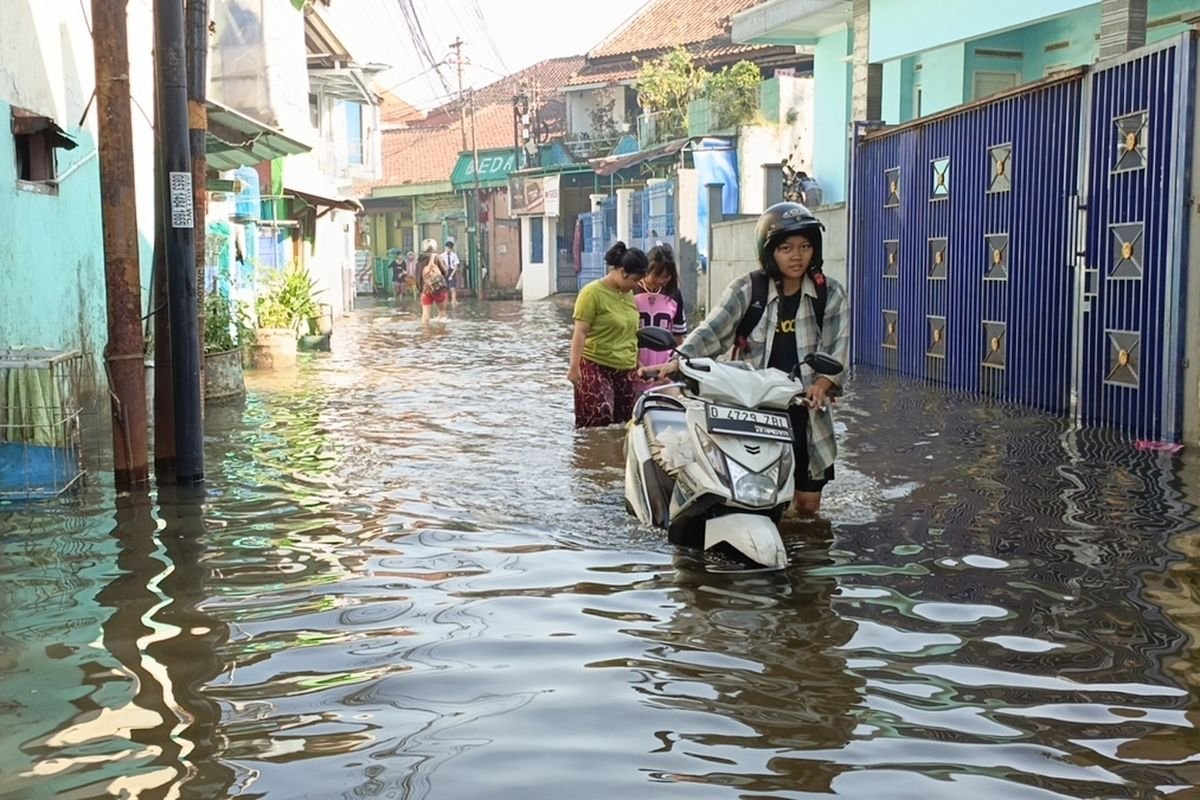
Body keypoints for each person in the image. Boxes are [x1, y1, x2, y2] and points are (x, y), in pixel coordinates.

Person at [659, 202, 850, 515]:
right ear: (769, 251)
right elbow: (712, 332)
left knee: (807, 508)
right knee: (751, 494)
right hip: (752, 412)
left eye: (805, 247)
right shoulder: (748, 289)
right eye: (786, 248)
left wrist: (823, 383)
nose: (797, 256)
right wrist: (677, 361)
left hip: (805, 413)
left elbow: (837, 346)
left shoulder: (830, 294)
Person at [567, 242, 649, 428]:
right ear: (623, 272)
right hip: (595, 364)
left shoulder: (628, 295)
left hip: (625, 368)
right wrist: (574, 368)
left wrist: (637, 362)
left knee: (625, 424)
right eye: (635, 280)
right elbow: (580, 332)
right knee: (598, 418)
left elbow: (631, 332)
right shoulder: (591, 293)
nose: (636, 286)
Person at [632, 243, 687, 395]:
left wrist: (673, 366)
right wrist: (635, 363)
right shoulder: (631, 290)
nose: (662, 281)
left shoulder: (674, 294)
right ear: (646, 270)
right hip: (633, 368)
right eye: (657, 276)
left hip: (664, 372)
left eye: (667, 277)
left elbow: (678, 336)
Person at [417, 239, 449, 323]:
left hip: (426, 289)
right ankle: (441, 333)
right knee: (442, 313)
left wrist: (421, 290)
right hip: (438, 288)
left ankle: (426, 333)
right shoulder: (437, 257)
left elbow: (418, 277)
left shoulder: (419, 260)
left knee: (425, 315)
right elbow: (445, 272)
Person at [443, 240, 461, 305]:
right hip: (445, 272)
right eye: (446, 248)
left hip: (452, 271)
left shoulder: (454, 255)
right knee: (445, 288)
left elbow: (456, 266)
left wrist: (452, 275)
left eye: (449, 248)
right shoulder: (442, 255)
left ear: (451, 249)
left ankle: (453, 300)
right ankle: (445, 301)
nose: (447, 249)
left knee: (452, 288)